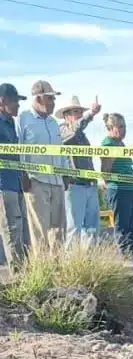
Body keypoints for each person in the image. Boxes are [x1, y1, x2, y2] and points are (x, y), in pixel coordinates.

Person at [16, 80, 68, 251]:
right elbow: (18, 149)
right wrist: (23, 174)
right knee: (40, 230)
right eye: (50, 99)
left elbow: (60, 150)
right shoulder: (23, 119)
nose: (54, 103)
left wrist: (65, 173)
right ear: (38, 98)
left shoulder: (53, 122)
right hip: (36, 181)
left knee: (59, 229)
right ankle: (44, 269)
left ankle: (59, 268)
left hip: (57, 181)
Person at [100, 113, 133, 264]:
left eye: (124, 126)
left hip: (130, 188)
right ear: (110, 128)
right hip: (119, 189)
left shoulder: (120, 144)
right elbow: (105, 170)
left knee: (130, 225)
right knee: (121, 224)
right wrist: (110, 185)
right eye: (119, 127)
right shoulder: (108, 144)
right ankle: (125, 257)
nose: (123, 130)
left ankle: (132, 255)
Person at [58, 95, 102, 244]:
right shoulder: (63, 131)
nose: (79, 114)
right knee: (74, 227)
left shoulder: (82, 135)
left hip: (88, 183)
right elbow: (75, 129)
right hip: (74, 184)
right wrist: (91, 114)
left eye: (80, 111)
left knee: (91, 227)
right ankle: (71, 263)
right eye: (75, 112)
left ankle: (88, 262)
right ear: (66, 116)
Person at [0, 83, 29, 272]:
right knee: (11, 229)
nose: (18, 105)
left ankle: (24, 270)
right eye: (15, 101)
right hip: (3, 184)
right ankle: (17, 273)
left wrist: (24, 174)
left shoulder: (11, 123)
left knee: (21, 228)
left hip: (16, 182)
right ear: (2, 101)